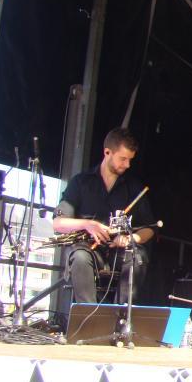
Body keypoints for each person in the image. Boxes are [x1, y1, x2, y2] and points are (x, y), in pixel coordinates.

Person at [53, 127, 155, 304]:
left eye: (130, 160)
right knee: (80, 257)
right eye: (123, 159)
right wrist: (87, 224)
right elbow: (58, 224)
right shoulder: (81, 182)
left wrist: (132, 239)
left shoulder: (133, 187)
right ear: (107, 152)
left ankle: (121, 315)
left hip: (119, 253)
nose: (127, 165)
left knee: (137, 256)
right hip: (88, 249)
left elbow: (150, 228)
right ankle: (89, 316)